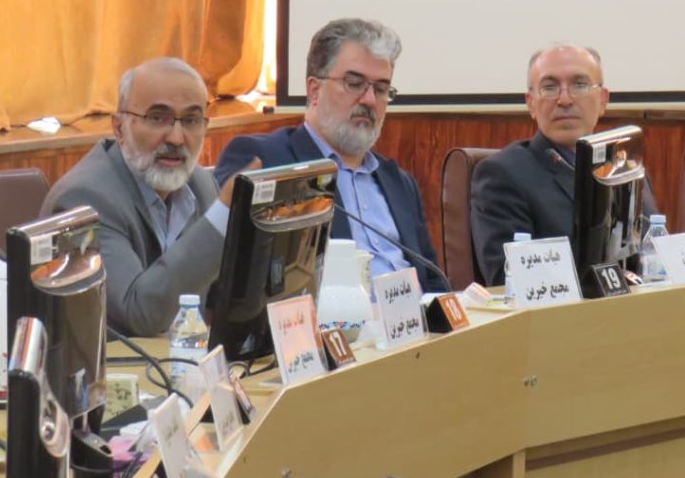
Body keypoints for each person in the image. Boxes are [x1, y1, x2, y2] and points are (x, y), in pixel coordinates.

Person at [214, 18, 445, 292]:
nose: (370, 100)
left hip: (413, 318)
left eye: (381, 89)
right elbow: (236, 280)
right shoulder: (266, 160)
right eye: (354, 83)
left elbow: (433, 281)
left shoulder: (398, 181)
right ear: (314, 90)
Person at [42, 58, 250, 337]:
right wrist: (220, 218)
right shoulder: (84, 199)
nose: (176, 138)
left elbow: (227, 299)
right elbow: (138, 315)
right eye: (157, 118)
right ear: (119, 128)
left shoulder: (200, 185)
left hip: (178, 359)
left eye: (191, 120)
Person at [470, 44, 658, 286]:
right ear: (530, 103)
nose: (565, 100)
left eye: (579, 85)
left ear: (603, 100)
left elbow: (655, 259)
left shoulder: (624, 168)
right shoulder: (502, 174)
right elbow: (507, 280)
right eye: (550, 87)